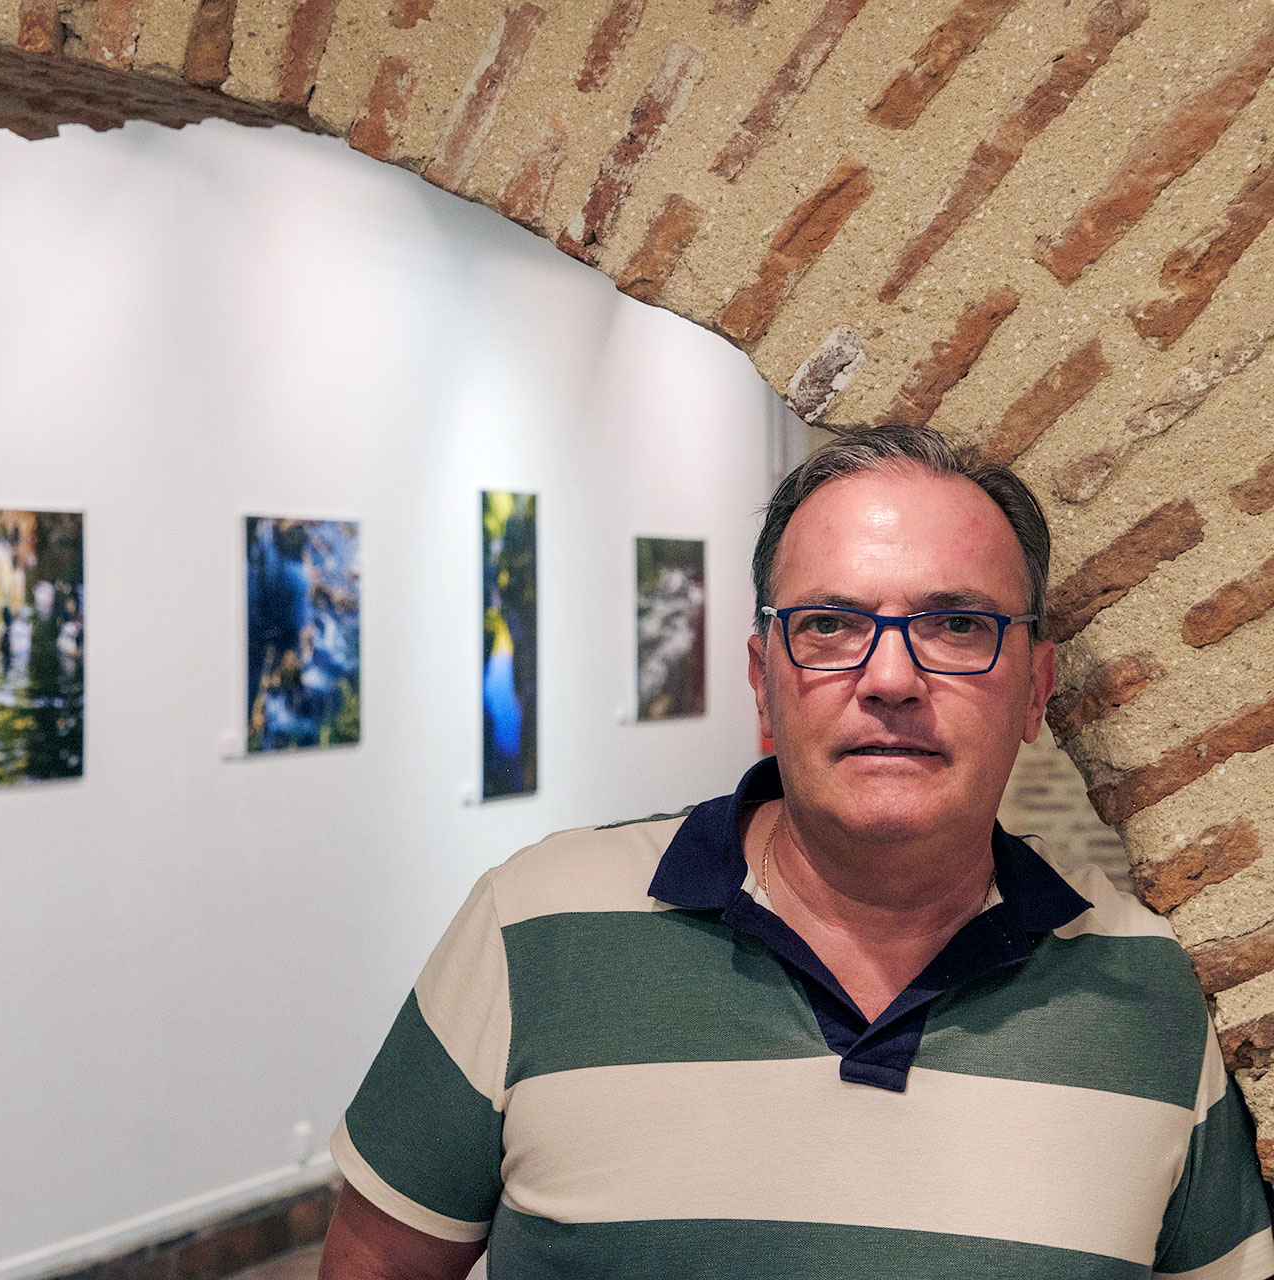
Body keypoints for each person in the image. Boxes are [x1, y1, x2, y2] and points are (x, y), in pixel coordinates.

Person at [321, 424, 1274, 1280]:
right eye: (830, 625)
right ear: (763, 684)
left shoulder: (1145, 990)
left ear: (1035, 690)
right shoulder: (532, 929)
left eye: (956, 626)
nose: (891, 677)